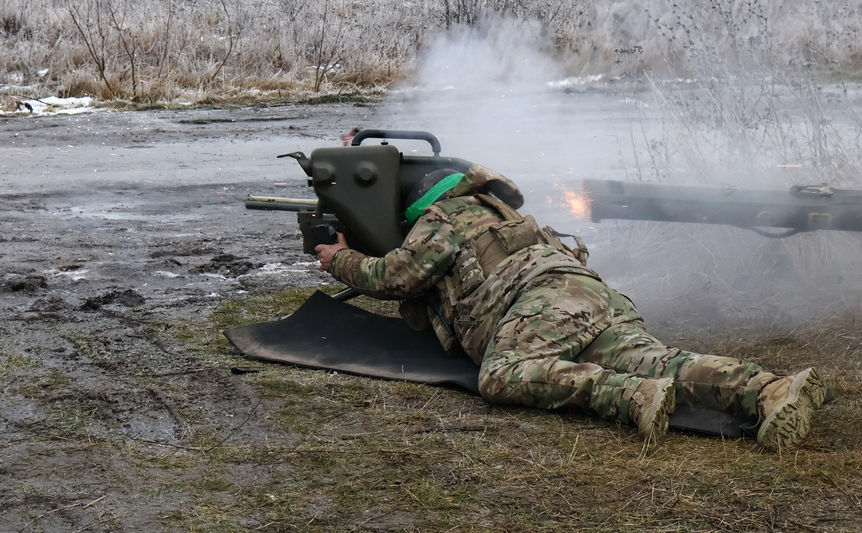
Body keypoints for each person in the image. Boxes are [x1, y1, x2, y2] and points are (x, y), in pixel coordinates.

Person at [315, 164, 826, 448]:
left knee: (503, 374)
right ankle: (770, 389)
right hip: (589, 295)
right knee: (662, 360)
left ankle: (633, 397)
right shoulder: (504, 216)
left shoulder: (444, 217)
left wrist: (339, 257)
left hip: (542, 303)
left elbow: (393, 277)